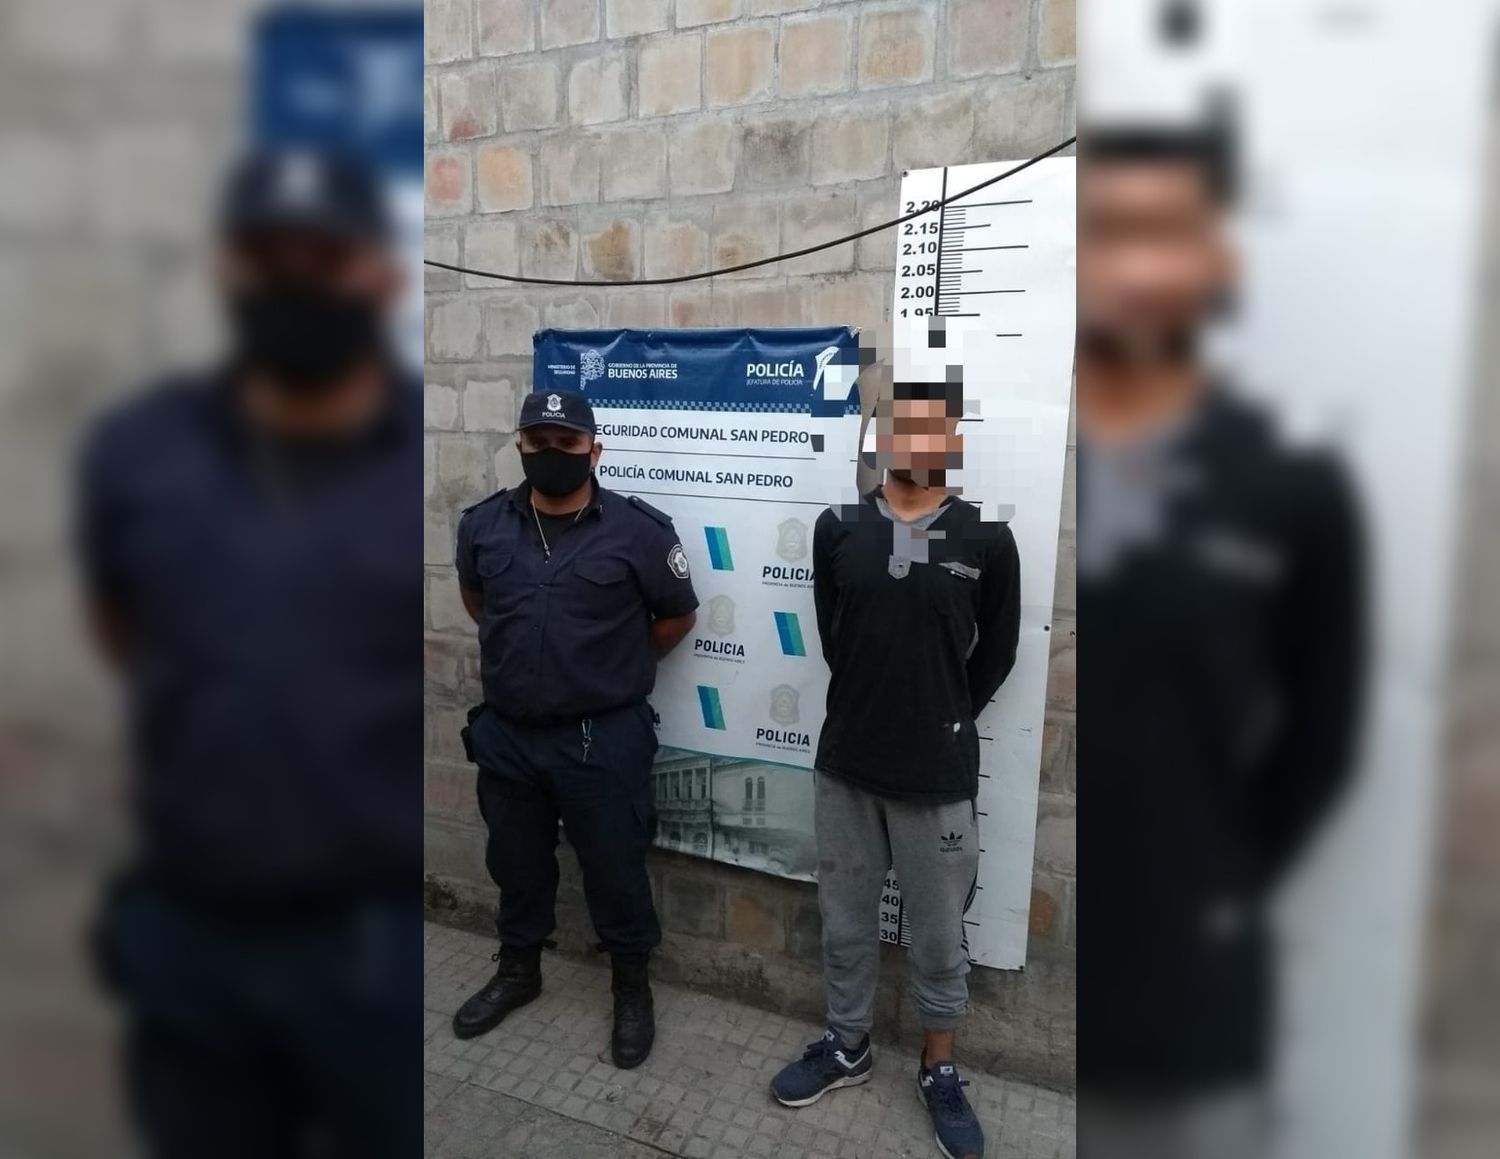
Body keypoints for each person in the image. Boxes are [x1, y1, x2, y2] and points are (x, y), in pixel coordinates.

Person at [76, 149, 422, 1158]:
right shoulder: (136, 450)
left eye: (326, 255)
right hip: (192, 938)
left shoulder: (424, 458)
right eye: (270, 255)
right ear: (226, 269)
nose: (296, 278)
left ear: (381, 276)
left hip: (376, 950)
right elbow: (123, 630)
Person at [1076, 125, 1366, 1158]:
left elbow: (1323, 740)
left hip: (1187, 1006)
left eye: (1165, 231)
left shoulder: (1291, 485)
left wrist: (1209, 876)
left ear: (1215, 260)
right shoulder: (1032, 466)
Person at [770, 381, 1021, 1159]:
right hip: (848, 762)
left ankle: (939, 1066)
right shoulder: (838, 529)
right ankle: (847, 1044)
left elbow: (997, 652)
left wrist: (939, 713)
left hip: (936, 775)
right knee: (846, 921)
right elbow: (836, 637)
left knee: (939, 938)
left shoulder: (986, 538)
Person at [451, 389, 698, 1069]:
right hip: (509, 734)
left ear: (594, 449)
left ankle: (631, 988)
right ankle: (518, 970)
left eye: (567, 442)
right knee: (516, 863)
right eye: (539, 442)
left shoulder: (640, 532)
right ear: (520, 444)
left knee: (616, 867)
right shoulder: (483, 526)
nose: (552, 453)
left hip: (602, 737)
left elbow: (677, 616)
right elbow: (478, 601)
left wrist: (611, 668)